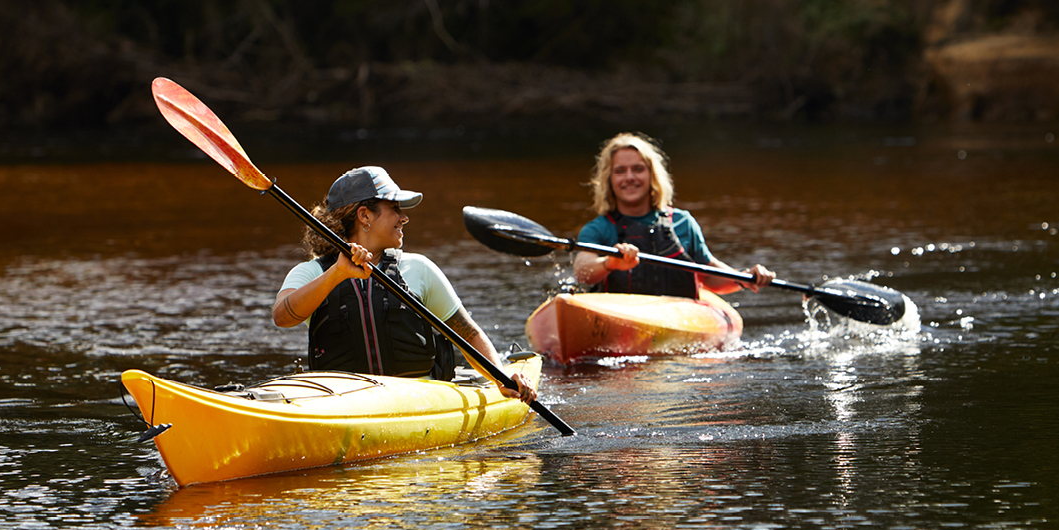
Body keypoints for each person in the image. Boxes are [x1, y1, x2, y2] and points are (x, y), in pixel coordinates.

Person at [273, 166, 537, 404]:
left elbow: (468, 334)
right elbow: (282, 317)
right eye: (395, 209)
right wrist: (336, 274)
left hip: (417, 398)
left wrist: (501, 376)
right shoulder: (313, 272)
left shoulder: (419, 269)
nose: (404, 218)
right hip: (341, 401)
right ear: (364, 215)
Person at [572, 133, 776, 297]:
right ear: (609, 180)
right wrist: (610, 262)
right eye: (620, 171)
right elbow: (582, 271)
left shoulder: (682, 223)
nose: (630, 177)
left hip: (679, 318)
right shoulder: (598, 229)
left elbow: (711, 277)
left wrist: (746, 277)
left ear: (652, 175)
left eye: (638, 169)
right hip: (618, 318)